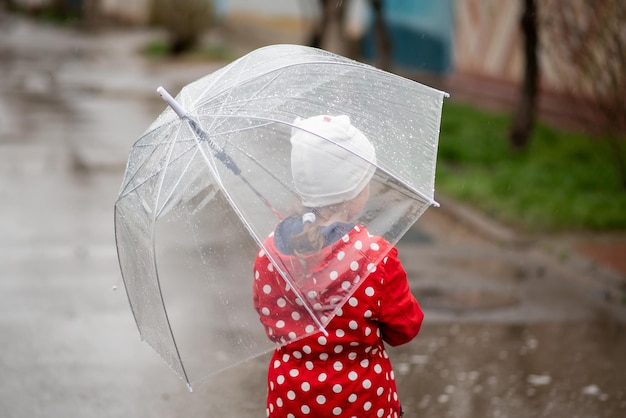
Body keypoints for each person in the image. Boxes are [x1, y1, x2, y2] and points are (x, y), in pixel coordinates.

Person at [253, 115, 423, 418]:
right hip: (362, 400)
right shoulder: (375, 258)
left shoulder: (270, 252)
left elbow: (272, 321)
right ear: (354, 194)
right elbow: (405, 328)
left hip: (291, 399)